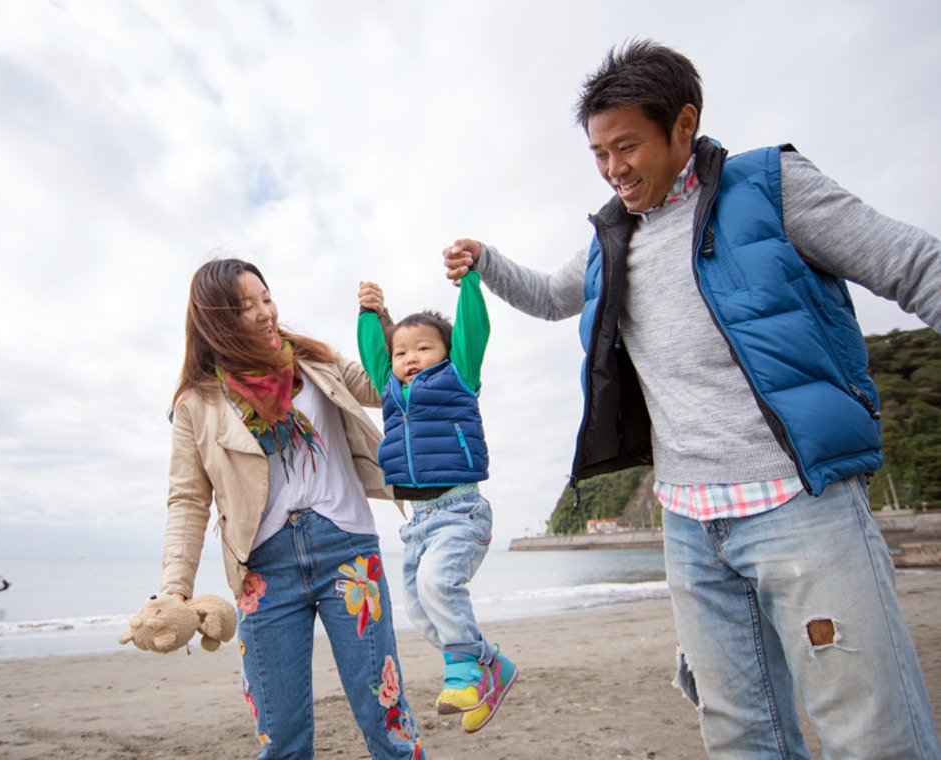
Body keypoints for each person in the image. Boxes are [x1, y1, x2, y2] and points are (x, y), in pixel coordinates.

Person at [442, 39, 941, 759]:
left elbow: (913, 264)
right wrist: (485, 261)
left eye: (627, 147)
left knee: (869, 733)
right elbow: (553, 298)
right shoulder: (611, 238)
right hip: (691, 525)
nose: (613, 170)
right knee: (740, 735)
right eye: (598, 155)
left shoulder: (769, 187)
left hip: (800, 504)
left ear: (684, 125)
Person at [161, 258, 423, 759]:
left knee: (387, 719)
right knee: (280, 739)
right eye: (245, 307)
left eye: (266, 297)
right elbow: (188, 499)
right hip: (263, 569)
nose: (265, 313)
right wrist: (176, 587)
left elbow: (387, 381)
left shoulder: (316, 363)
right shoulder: (198, 402)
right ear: (215, 320)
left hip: (347, 551)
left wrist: (382, 324)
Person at [355, 272, 517, 734]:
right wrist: (369, 312)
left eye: (423, 347)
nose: (410, 358)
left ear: (446, 350)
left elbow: (472, 328)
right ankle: (492, 668)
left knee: (438, 584)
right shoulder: (389, 389)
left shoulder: (459, 375)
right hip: (417, 522)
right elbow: (374, 351)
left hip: (459, 511)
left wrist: (469, 283)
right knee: (424, 614)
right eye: (402, 352)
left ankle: (466, 676)